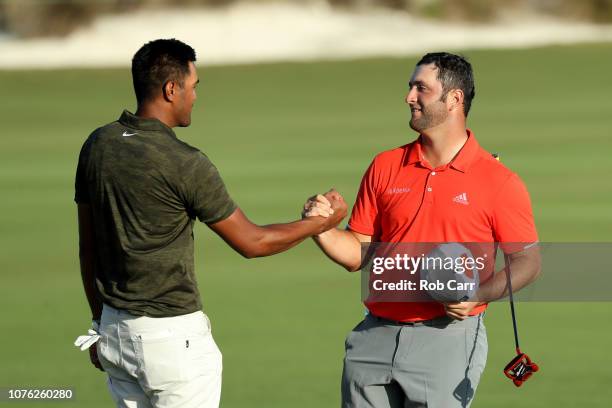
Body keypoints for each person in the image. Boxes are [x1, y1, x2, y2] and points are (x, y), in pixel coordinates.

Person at [74, 38, 347, 408]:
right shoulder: (185, 162)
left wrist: (99, 324)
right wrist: (319, 224)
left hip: (114, 331)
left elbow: (87, 247)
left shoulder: (98, 144)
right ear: (172, 89)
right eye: (193, 86)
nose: (195, 96)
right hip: (172, 342)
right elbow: (252, 242)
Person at [302, 52, 541, 408]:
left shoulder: (499, 180)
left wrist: (479, 294)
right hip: (375, 336)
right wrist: (319, 227)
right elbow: (358, 253)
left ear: (454, 99)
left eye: (421, 88)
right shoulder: (385, 165)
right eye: (410, 87)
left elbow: (527, 261)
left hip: (447, 340)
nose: (409, 97)